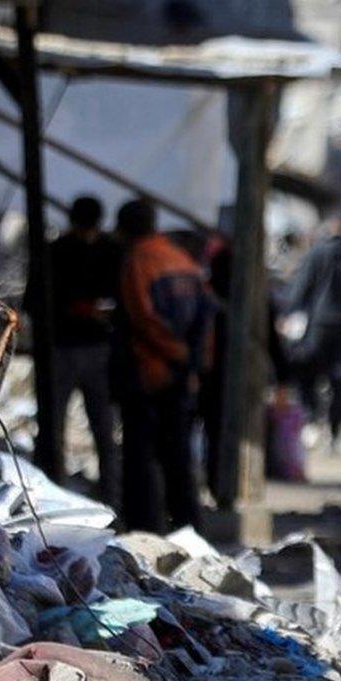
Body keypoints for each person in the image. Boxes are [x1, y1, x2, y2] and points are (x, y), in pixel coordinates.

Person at [115, 199, 214, 534]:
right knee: (179, 457)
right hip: (181, 375)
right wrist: (194, 361)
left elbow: (143, 318)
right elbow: (206, 315)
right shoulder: (181, 259)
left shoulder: (138, 261)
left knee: (141, 458)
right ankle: (189, 527)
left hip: (150, 371)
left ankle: (146, 529)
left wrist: (176, 353)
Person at [44, 195, 123, 506]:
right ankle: (58, 494)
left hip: (82, 348)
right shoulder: (65, 251)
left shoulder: (61, 251)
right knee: (62, 428)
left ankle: (107, 498)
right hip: (79, 347)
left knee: (99, 430)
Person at [286, 209, 341, 445]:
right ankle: (335, 427)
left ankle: (313, 419)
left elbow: (301, 288)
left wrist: (289, 313)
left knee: (308, 371)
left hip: (319, 324)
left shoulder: (316, 254)